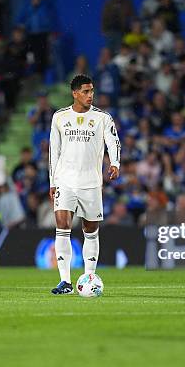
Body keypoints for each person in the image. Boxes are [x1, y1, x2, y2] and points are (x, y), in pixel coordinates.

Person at [48, 74, 121, 294]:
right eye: (86, 91)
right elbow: (54, 150)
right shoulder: (59, 117)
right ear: (75, 93)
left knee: (90, 230)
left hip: (91, 182)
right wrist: (53, 181)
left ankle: (89, 276)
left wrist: (115, 163)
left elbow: (113, 141)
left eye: (92, 91)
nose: (91, 95)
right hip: (65, 180)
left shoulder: (102, 118)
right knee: (62, 226)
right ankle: (65, 282)